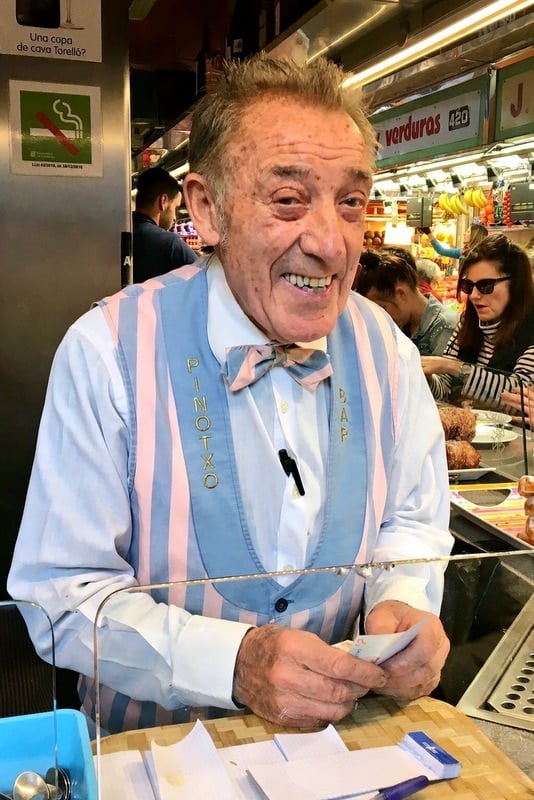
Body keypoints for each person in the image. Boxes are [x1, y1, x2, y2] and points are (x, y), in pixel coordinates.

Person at [8, 53, 453, 736]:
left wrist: (403, 600)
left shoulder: (387, 352)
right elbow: (58, 596)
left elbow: (412, 523)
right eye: (288, 200)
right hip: (151, 757)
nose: (331, 244)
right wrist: (232, 664)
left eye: (351, 202)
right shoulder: (108, 352)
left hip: (337, 752)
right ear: (207, 209)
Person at [422, 234, 534, 407]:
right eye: (468, 286)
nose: (474, 295)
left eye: (486, 285)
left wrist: (455, 367)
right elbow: (444, 387)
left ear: (515, 284)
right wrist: (425, 378)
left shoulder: (530, 329)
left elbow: (520, 397)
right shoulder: (468, 323)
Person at [355, 249, 457, 356]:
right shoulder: (403, 324)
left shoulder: (445, 327)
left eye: (382, 308)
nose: (380, 317)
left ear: (400, 293)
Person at [132, 166, 196, 282]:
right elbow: (202, 278)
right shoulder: (170, 244)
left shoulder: (120, 231)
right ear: (163, 201)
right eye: (175, 208)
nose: (175, 218)